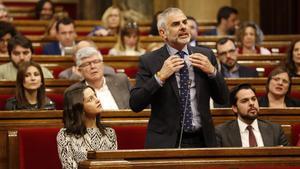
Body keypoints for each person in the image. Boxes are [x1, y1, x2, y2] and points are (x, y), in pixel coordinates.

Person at [130, 8, 228, 148]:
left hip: (203, 140)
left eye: (185, 22)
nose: (183, 27)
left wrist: (212, 71)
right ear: (163, 33)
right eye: (176, 24)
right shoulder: (149, 61)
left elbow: (223, 99)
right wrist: (160, 77)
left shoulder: (206, 55)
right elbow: (135, 104)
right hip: (166, 142)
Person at [57, 85, 117, 169]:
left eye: (95, 96)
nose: (97, 100)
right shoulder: (65, 135)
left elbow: (113, 166)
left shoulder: (109, 132)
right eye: (90, 99)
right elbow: (69, 167)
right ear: (79, 108)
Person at [215, 83, 289, 147]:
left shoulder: (275, 130)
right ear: (235, 108)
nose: (251, 103)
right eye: (244, 101)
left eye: (253, 99)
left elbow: (287, 159)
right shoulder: (221, 133)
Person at [64, 46, 131, 110]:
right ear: (80, 70)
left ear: (102, 64)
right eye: (87, 64)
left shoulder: (121, 80)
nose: (93, 66)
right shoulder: (73, 93)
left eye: (96, 62)